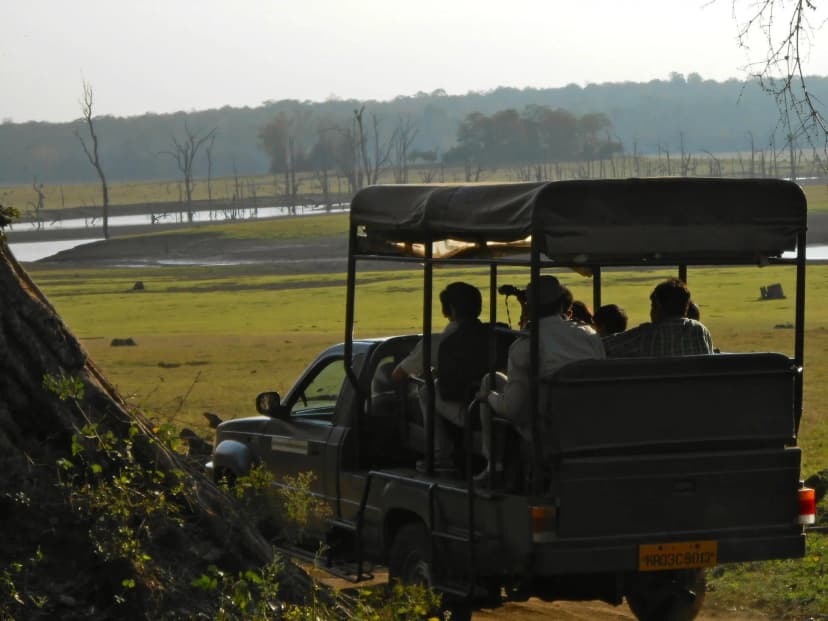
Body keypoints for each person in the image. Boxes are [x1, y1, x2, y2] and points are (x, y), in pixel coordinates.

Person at [476, 276, 605, 482]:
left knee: (490, 382)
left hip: (546, 429)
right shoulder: (589, 335)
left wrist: (489, 397)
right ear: (562, 305)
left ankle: (494, 466)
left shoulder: (526, 344)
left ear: (529, 307)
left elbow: (512, 408)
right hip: (591, 423)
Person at [393, 281, 486, 472]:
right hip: (490, 403)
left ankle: (440, 455)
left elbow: (398, 374)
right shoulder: (490, 335)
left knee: (426, 390)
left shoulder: (439, 342)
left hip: (469, 409)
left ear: (449, 310)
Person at [603, 278, 713, 357]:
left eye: (652, 306)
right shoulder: (701, 330)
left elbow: (604, 346)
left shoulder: (647, 334)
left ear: (659, 306)